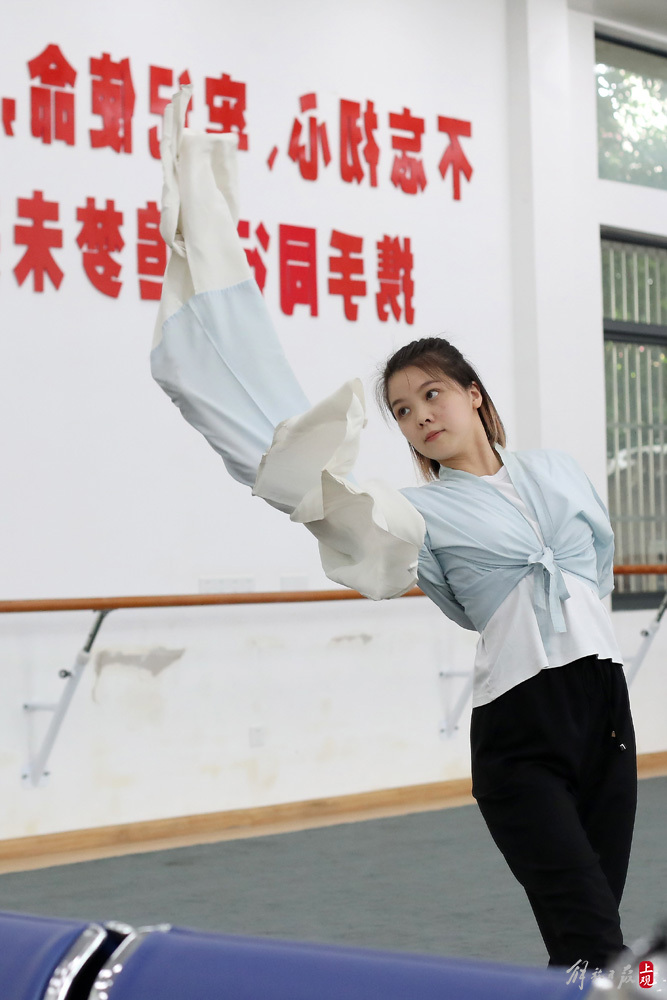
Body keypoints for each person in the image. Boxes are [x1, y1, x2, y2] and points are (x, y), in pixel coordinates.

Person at [150, 89, 636, 972]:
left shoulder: (558, 472)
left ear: (474, 393)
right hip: (519, 728)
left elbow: (594, 565)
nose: (419, 418)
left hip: (605, 712)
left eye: (432, 396)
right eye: (403, 412)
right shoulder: (423, 509)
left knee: (589, 938)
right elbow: (378, 539)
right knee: (592, 934)